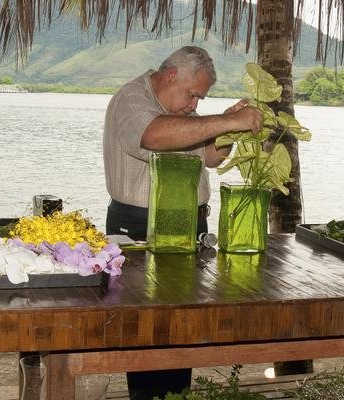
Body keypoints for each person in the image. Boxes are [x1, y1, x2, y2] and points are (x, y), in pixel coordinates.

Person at [102, 46, 262, 400]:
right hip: (138, 227)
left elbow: (210, 158)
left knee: (181, 330)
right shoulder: (132, 98)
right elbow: (153, 136)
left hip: (190, 225)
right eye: (193, 95)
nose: (194, 105)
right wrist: (225, 121)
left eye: (200, 99)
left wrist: (229, 130)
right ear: (171, 75)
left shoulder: (182, 111)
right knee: (146, 334)